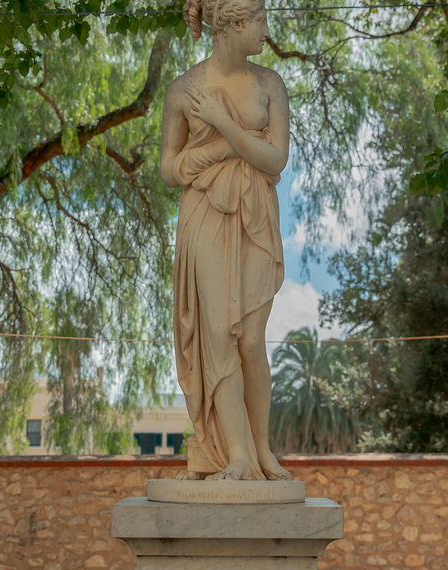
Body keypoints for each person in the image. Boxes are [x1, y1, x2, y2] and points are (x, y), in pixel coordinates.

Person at [160, 0, 292, 481]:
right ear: (232, 26)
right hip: (206, 217)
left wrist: (226, 124)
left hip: (256, 214)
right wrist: (217, 151)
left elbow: (275, 160)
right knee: (219, 337)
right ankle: (236, 455)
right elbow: (168, 169)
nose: (265, 30)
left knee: (252, 340)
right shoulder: (184, 90)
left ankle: (261, 450)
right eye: (259, 20)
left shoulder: (269, 84)